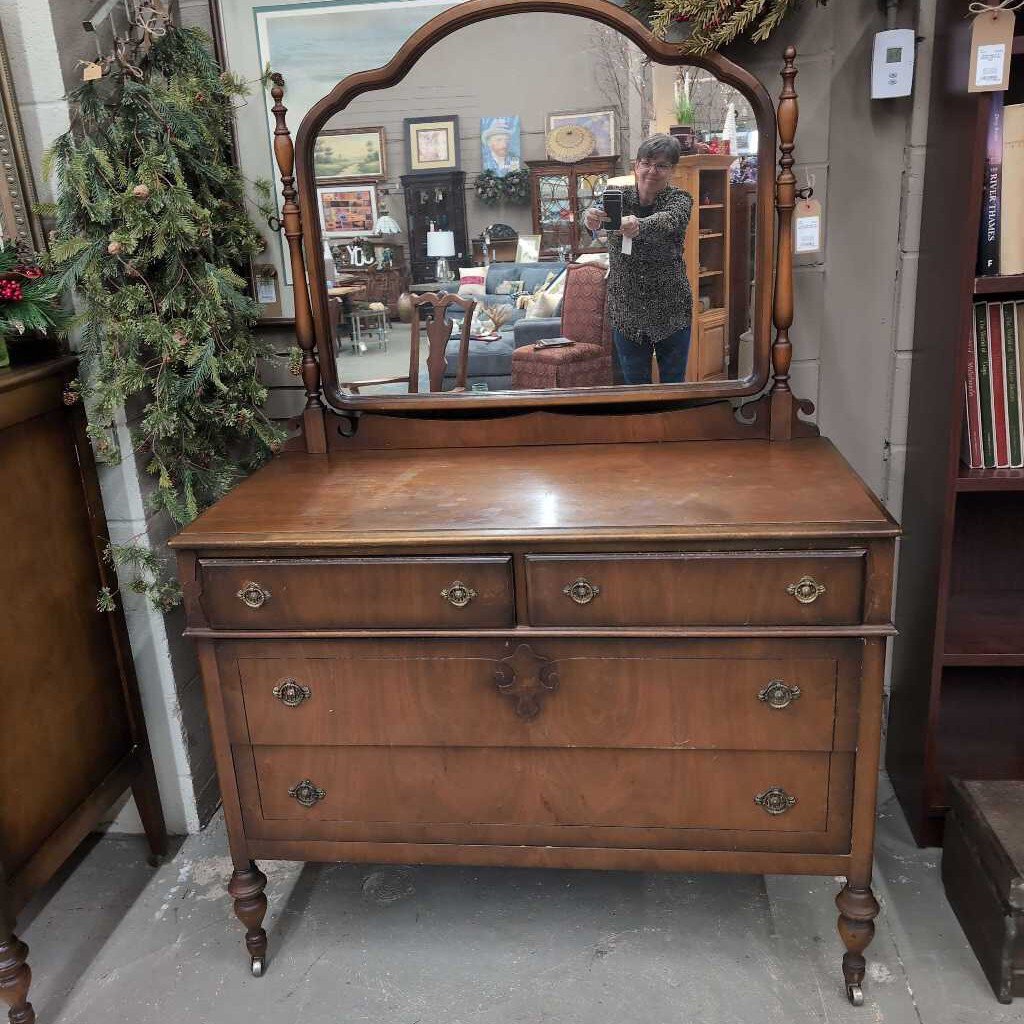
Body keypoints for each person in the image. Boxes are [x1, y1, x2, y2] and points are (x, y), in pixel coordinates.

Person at [583, 134, 693, 385]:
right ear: (636, 165)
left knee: (673, 387)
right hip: (626, 310)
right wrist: (589, 219)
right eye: (646, 163)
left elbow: (669, 220)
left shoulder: (681, 199)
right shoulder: (616, 196)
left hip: (671, 309)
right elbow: (591, 219)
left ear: (672, 170)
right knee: (635, 389)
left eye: (661, 165)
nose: (652, 171)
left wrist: (639, 225)